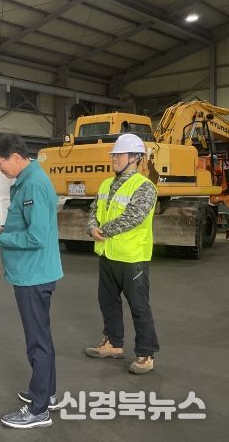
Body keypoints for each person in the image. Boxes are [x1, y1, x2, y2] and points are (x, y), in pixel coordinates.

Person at [0, 134, 63, 429]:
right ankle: (46, 394)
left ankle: (38, 410)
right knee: (41, 337)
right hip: (33, 273)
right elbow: (27, 223)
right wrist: (2, 228)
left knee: (37, 342)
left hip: (33, 275)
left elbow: (36, 237)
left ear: (15, 157)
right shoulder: (28, 181)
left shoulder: (34, 185)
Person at [85, 133, 159, 375]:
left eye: (119, 154)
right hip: (108, 254)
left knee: (139, 307)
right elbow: (94, 210)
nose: (114, 158)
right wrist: (91, 227)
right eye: (113, 154)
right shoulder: (105, 184)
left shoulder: (144, 187)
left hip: (132, 257)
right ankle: (113, 344)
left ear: (135, 157)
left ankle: (146, 354)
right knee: (107, 302)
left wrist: (103, 230)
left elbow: (133, 217)